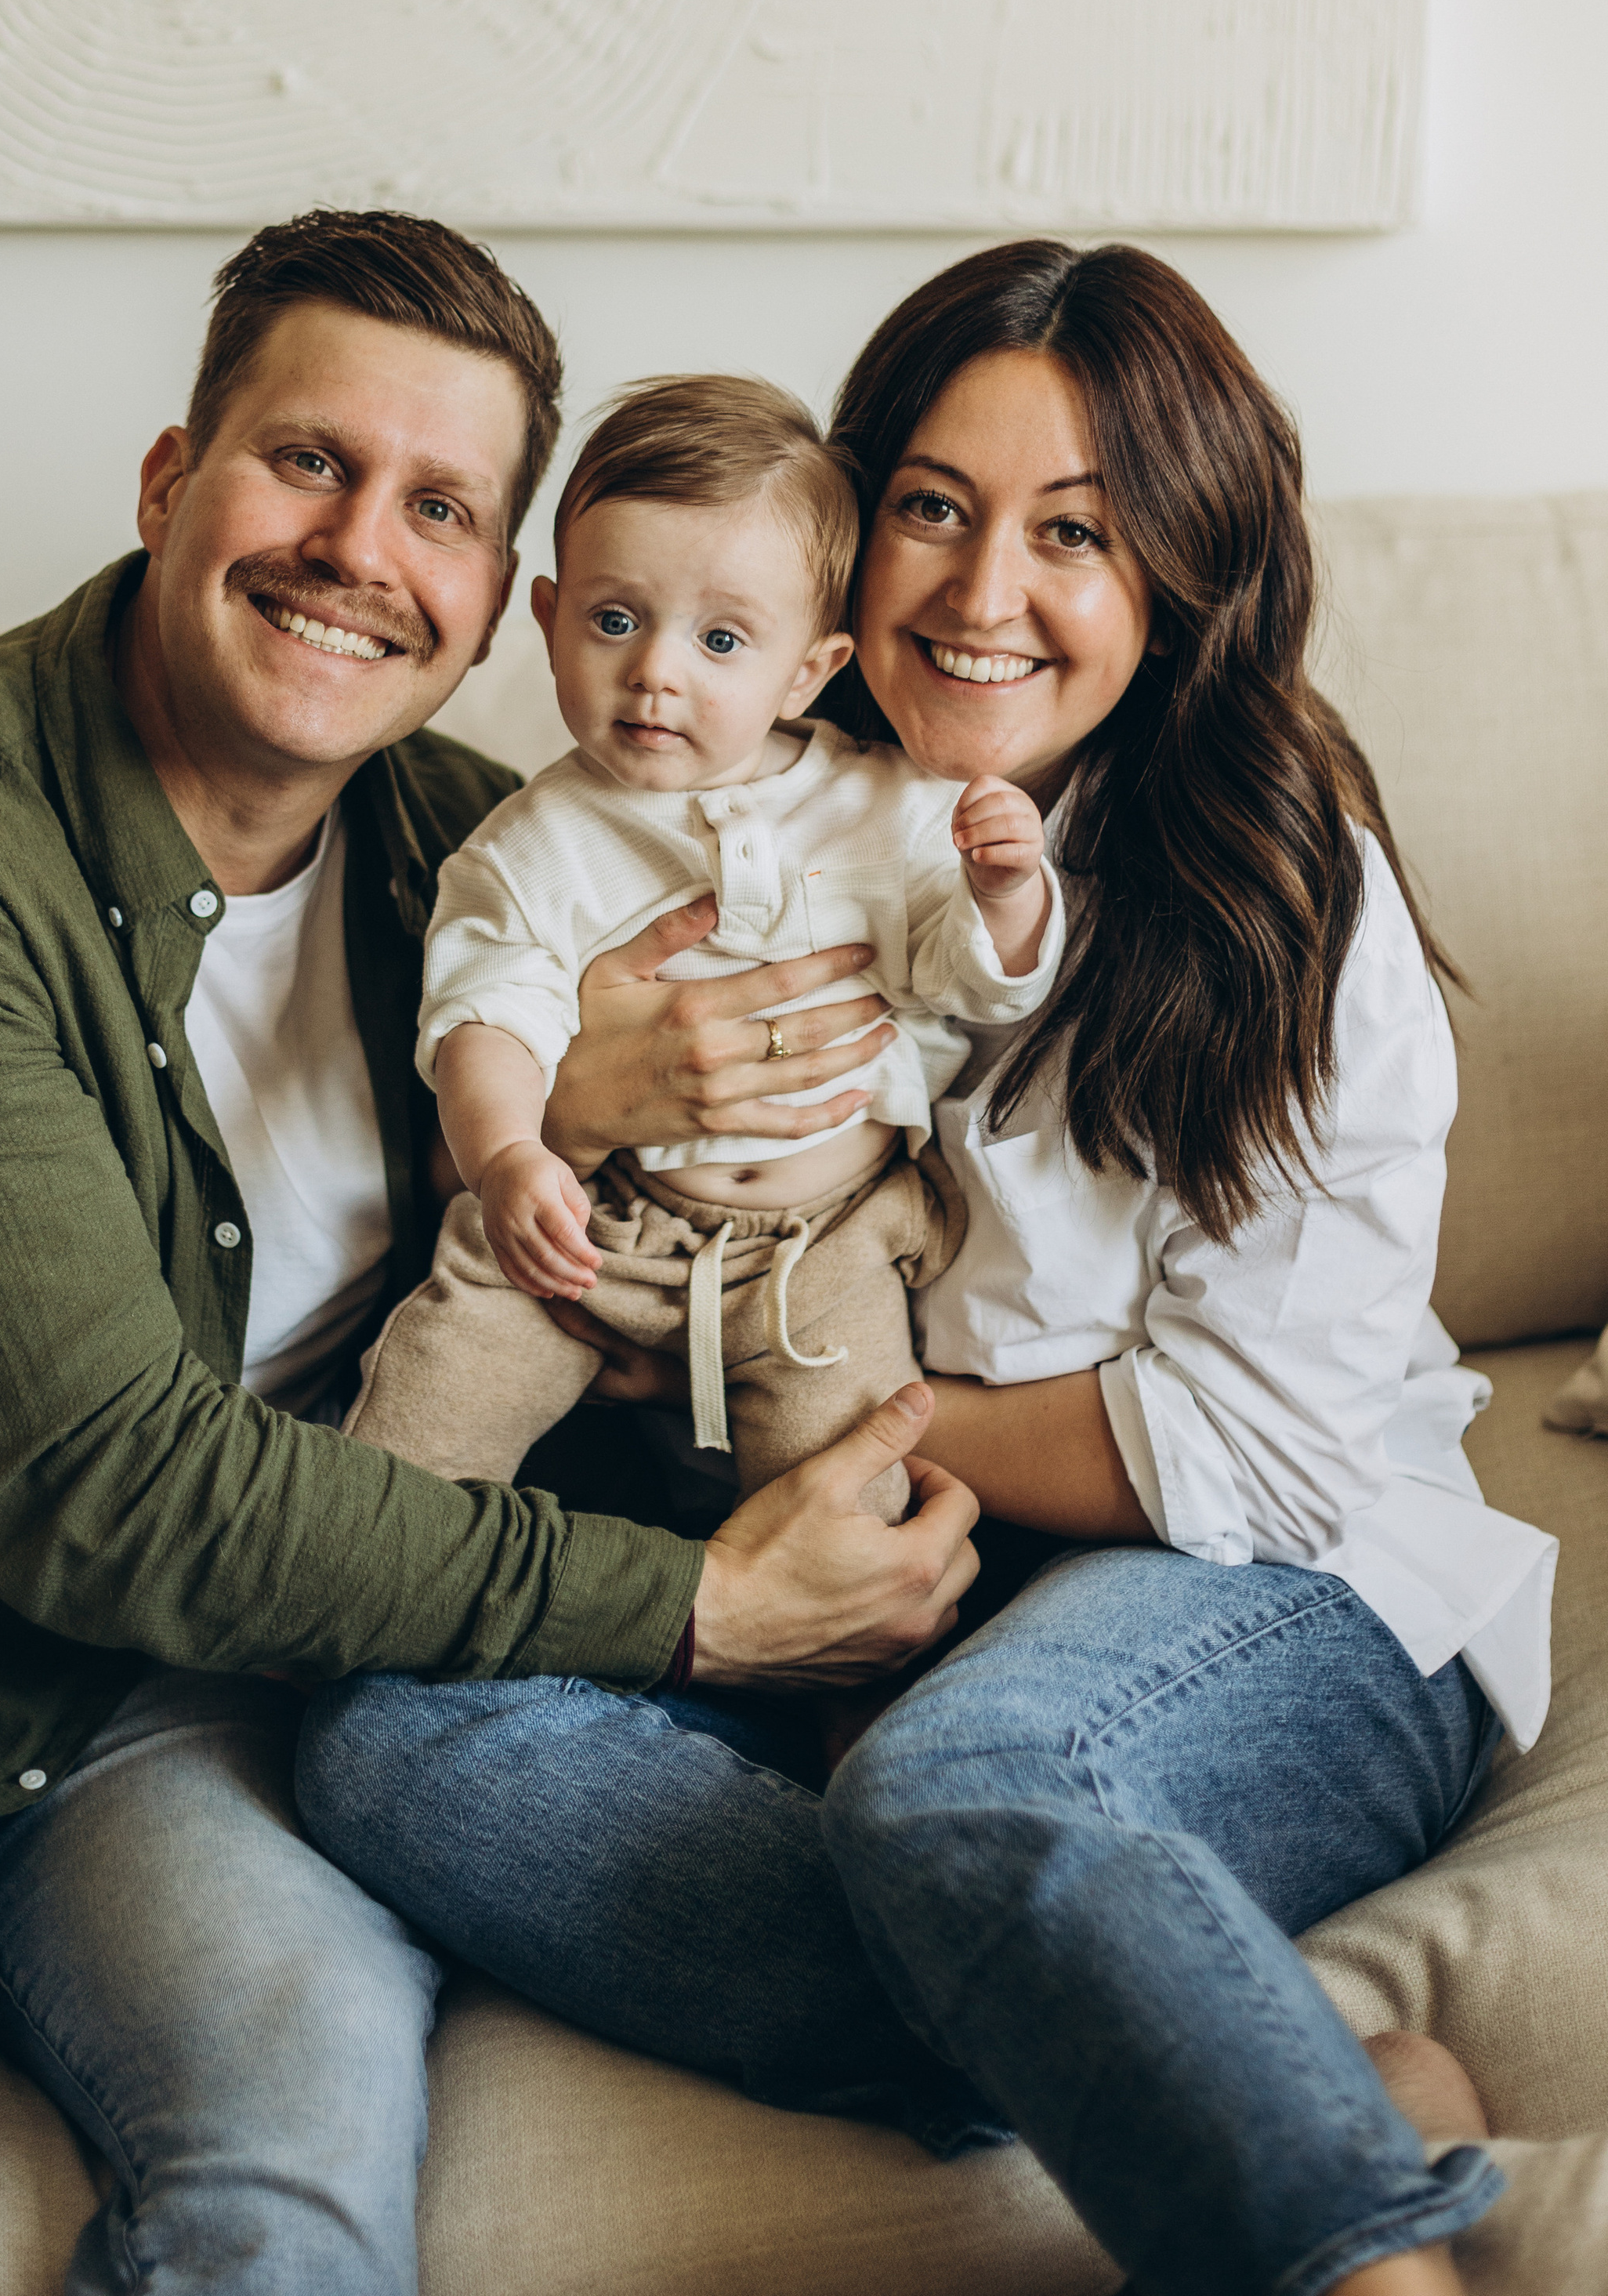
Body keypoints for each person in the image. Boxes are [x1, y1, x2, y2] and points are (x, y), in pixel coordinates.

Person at [0, 211, 983, 2296]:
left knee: (309, 2175)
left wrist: (622, 1216)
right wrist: (703, 1605)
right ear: (171, 480)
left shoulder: (458, 840)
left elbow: (548, 1286)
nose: (362, 549)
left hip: (177, 1702)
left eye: (438, 504)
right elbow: (107, 1494)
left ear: (496, 596)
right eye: (307, 463)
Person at [295, 239, 1560, 2296]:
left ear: (1181, 571)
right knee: (384, 1740)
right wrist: (593, 1155)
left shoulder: (1273, 875)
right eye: (935, 513)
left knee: (965, 1781)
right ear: (835, 547)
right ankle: (1251, 2045)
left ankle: (1348, 2251)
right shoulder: (726, 817)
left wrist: (809, 1456)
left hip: (1285, 1594)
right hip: (890, 1589)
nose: (985, 594)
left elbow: (1258, 1437)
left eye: (1076, 533)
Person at [346, 372, 1061, 1521]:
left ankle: (845, 1682)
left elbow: (967, 980)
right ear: (548, 617)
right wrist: (509, 1160)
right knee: (448, 1375)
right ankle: (344, 1575)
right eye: (615, 620)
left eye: (722, 638)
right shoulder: (537, 842)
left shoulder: (891, 804)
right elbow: (489, 1012)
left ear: (811, 669)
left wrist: (1006, 889)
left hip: (824, 1248)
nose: (656, 670)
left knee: (849, 1488)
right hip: (602, 1224)